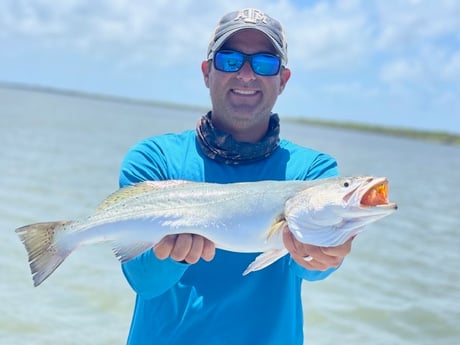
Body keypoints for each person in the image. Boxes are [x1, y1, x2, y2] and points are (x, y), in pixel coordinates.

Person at [119, 8, 354, 345]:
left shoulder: (312, 173)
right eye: (229, 60)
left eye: (264, 63)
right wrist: (167, 254)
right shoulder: (154, 161)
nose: (246, 74)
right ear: (206, 72)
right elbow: (143, 280)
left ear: (283, 80)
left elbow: (313, 268)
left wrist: (326, 250)